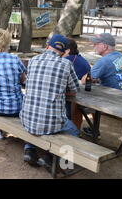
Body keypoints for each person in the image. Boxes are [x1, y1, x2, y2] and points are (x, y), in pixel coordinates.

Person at [20, 34, 80, 170]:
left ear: (47, 46)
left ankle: (29, 150)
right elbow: (75, 90)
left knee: (36, 120)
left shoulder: (33, 60)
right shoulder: (66, 64)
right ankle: (51, 158)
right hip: (50, 123)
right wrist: (58, 90)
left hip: (26, 118)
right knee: (74, 131)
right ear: (65, 52)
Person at [62, 38, 91, 129]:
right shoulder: (80, 58)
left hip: (76, 97)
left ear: (67, 50)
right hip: (86, 94)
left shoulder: (67, 61)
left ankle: (71, 128)